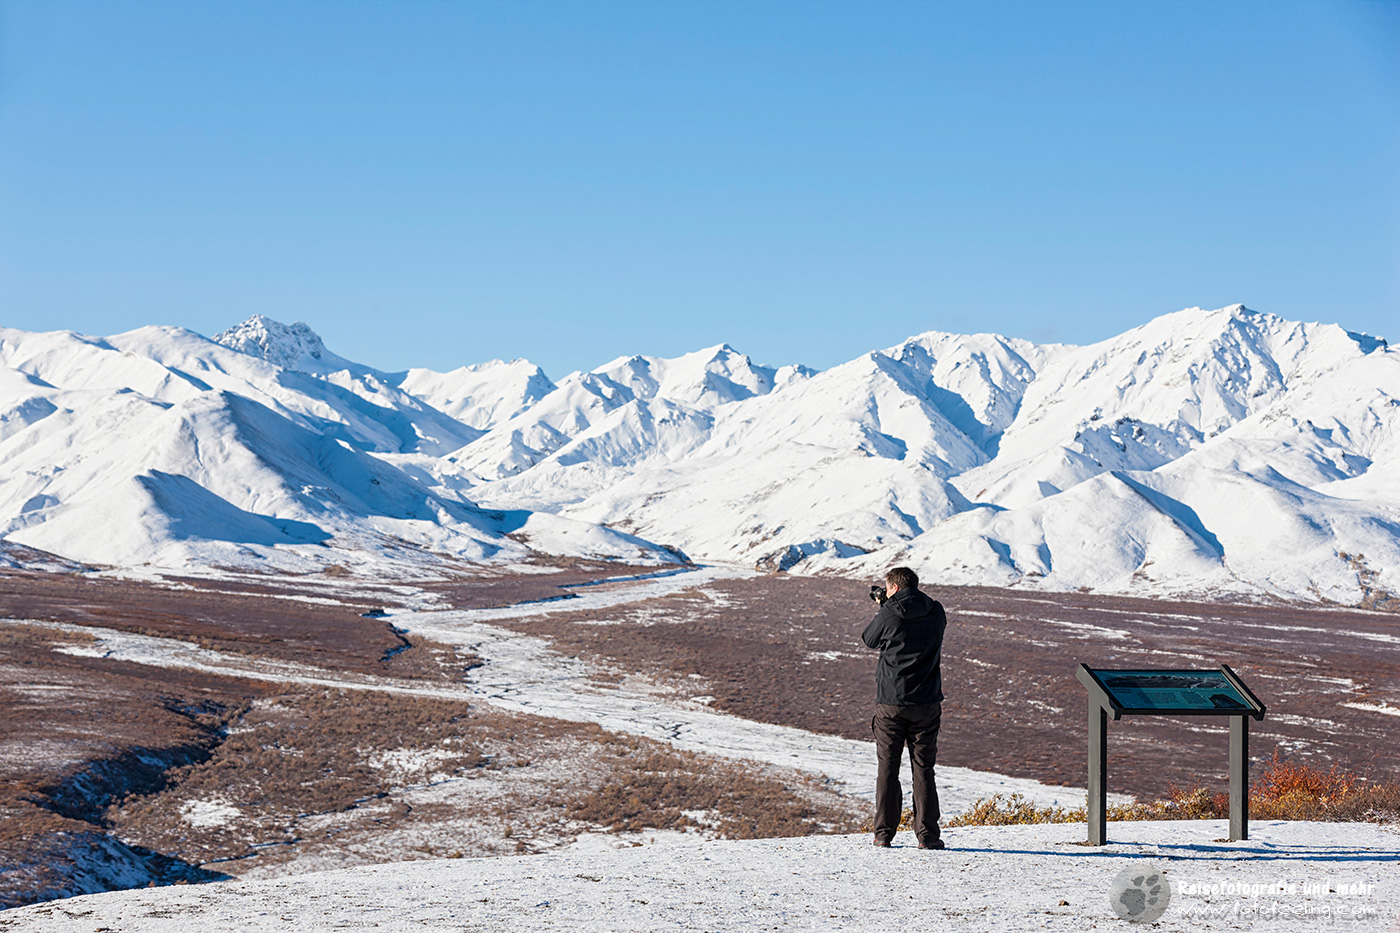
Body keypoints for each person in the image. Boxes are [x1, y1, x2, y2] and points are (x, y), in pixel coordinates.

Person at [861, 565, 947, 849]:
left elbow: (870, 639)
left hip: (892, 703)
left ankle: (883, 834)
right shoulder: (936, 611)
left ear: (894, 588)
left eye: (888, 589)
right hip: (927, 701)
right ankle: (928, 836)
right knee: (924, 769)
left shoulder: (889, 612)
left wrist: (884, 607)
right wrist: (889, 604)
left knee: (888, 768)